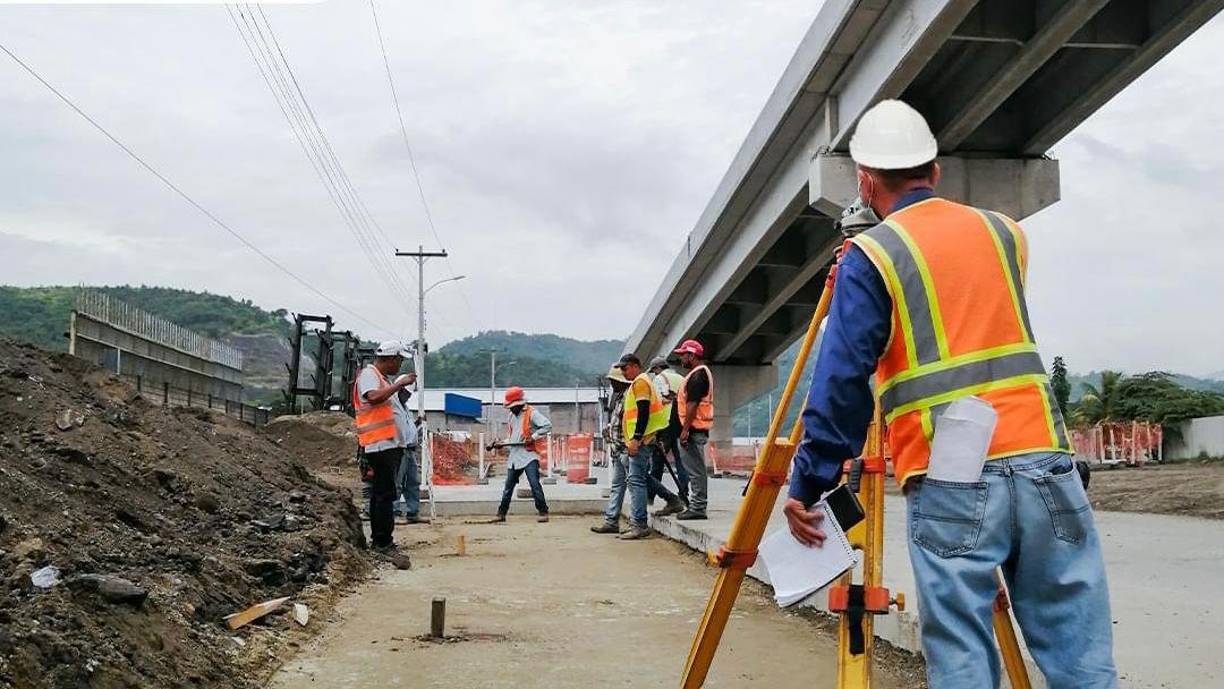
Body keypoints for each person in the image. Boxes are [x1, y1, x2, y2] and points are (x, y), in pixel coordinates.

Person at [782, 99, 1117, 689]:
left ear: (864, 181)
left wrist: (808, 483)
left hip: (953, 475)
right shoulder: (1005, 233)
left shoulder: (873, 254)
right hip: (1046, 461)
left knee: (962, 656)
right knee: (1079, 653)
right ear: (935, 170)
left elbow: (841, 383)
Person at [353, 341, 417, 554]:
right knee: (384, 495)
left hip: (386, 445)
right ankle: (382, 541)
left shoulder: (380, 379)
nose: (399, 365)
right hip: (380, 445)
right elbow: (372, 397)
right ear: (391, 359)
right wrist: (399, 384)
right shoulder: (370, 375)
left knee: (383, 493)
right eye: (399, 360)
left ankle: (381, 540)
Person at [613, 354, 685, 539]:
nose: (623, 372)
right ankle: (672, 499)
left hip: (642, 440)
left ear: (636, 366)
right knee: (641, 476)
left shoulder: (640, 383)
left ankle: (639, 524)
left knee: (635, 480)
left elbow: (643, 412)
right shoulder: (640, 382)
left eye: (626, 368)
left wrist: (636, 439)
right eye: (622, 369)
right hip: (644, 439)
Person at [491, 387, 550, 523]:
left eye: (512, 407)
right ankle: (501, 513)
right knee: (508, 487)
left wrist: (533, 437)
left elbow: (547, 426)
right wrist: (502, 443)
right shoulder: (511, 416)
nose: (511, 409)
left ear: (519, 404)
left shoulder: (532, 413)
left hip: (529, 454)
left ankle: (543, 511)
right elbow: (513, 438)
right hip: (515, 455)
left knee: (534, 483)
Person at [674, 339, 714, 520]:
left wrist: (685, 430)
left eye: (684, 354)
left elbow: (692, 405)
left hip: (694, 430)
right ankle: (697, 505)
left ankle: (698, 507)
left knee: (696, 470)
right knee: (695, 469)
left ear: (692, 355)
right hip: (696, 429)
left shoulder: (697, 376)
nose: (682, 358)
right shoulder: (698, 374)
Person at [591, 365, 632, 534]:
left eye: (614, 381)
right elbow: (617, 422)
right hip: (618, 449)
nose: (612, 384)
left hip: (626, 449)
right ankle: (611, 520)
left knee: (639, 483)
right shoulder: (619, 398)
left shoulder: (630, 398)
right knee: (618, 486)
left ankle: (670, 498)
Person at [647, 356, 689, 512]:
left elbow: (657, 403)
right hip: (682, 422)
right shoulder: (682, 378)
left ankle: (650, 496)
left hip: (664, 424)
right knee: (681, 461)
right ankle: (684, 494)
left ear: (657, 369)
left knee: (657, 462)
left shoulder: (659, 379)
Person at [393, 396, 426, 524]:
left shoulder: (405, 409)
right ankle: (394, 512)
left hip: (410, 449)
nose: (407, 396)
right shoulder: (394, 408)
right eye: (406, 393)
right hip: (400, 448)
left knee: (413, 481)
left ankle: (413, 512)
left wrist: (417, 423)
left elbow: (407, 428)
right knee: (397, 482)